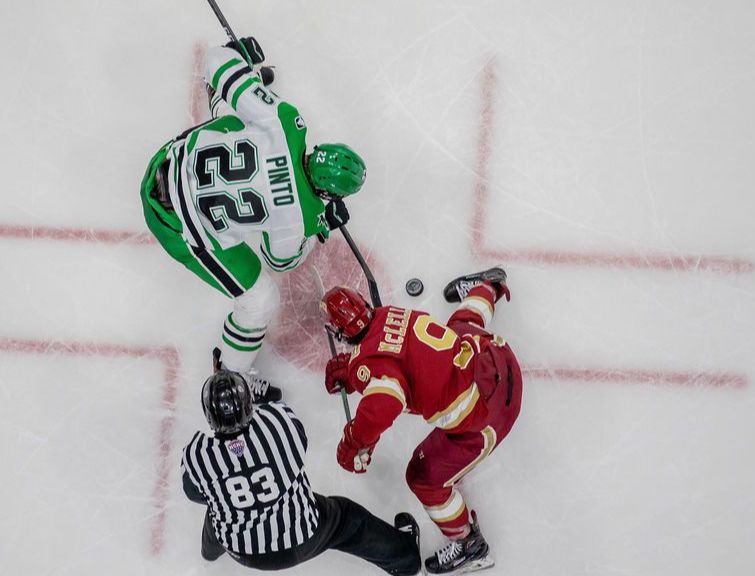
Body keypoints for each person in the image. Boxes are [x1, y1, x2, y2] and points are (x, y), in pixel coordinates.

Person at [140, 36, 365, 388]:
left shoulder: (286, 121)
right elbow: (280, 262)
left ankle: (226, 97)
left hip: (165, 162)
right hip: (176, 225)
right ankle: (230, 375)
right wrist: (320, 229)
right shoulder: (301, 219)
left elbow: (215, 59)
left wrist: (238, 65)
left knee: (241, 125)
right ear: (327, 193)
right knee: (259, 299)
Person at [321, 268, 523, 574]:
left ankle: (472, 546)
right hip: (495, 354)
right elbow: (396, 352)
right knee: (462, 326)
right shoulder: (385, 314)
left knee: (423, 478)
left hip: (490, 414)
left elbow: (382, 405)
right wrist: (354, 370)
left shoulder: (377, 370)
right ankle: (489, 287)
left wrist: (355, 442)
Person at [180, 370, 421, 574]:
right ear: (248, 404)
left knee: (217, 506)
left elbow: (194, 493)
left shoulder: (197, 454)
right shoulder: (278, 420)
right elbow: (300, 445)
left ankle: (209, 552)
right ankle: (406, 560)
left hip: (240, 550)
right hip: (304, 537)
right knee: (348, 519)